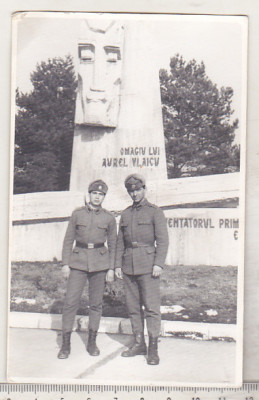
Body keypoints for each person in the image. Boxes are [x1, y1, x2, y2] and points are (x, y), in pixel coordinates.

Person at [58, 179, 117, 359]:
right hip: (78, 261)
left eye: (101, 195)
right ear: (89, 195)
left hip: (100, 263)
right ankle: (65, 344)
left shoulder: (109, 218)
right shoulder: (77, 214)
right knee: (70, 302)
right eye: (95, 194)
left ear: (104, 197)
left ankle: (92, 341)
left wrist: (111, 269)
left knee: (96, 304)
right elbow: (68, 239)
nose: (97, 197)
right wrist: (65, 264)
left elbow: (113, 244)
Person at [115, 174, 169, 365]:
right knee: (133, 307)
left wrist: (158, 263)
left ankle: (153, 348)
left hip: (148, 265)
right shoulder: (126, 214)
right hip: (128, 265)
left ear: (144, 189)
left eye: (137, 190)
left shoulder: (155, 212)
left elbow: (162, 240)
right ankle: (139, 343)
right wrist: (117, 265)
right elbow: (120, 242)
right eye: (131, 191)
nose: (134, 193)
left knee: (152, 307)